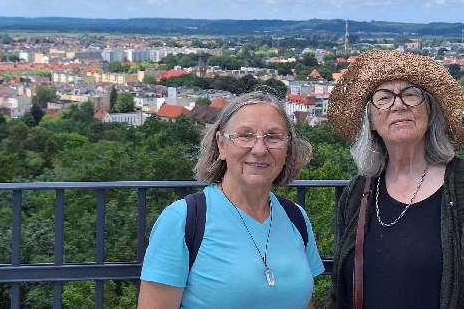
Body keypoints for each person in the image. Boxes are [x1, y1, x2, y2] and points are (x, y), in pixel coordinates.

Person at [326, 50, 464, 309]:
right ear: (370, 122)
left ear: (429, 112)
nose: (398, 105)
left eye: (411, 94)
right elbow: (339, 295)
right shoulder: (358, 192)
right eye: (383, 98)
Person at [138, 91, 325, 309]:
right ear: (221, 145)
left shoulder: (296, 218)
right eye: (245, 136)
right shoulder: (182, 220)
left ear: (288, 148)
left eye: (273, 137)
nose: (259, 149)